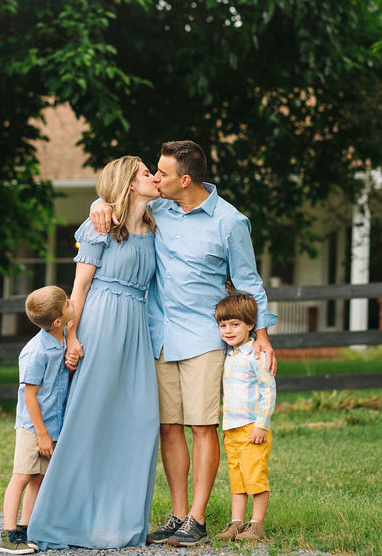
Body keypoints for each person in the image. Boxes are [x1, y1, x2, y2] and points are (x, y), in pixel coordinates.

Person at [90, 139, 277, 547]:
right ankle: (178, 516)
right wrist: (97, 205)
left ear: (185, 179)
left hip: (204, 339)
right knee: (168, 427)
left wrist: (261, 334)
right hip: (157, 335)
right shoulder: (157, 207)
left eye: (162, 172)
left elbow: (248, 282)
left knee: (201, 426)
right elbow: (117, 201)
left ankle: (197, 518)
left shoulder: (230, 222)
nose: (155, 178)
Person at [27, 156, 161, 549]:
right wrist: (71, 338)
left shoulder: (157, 224)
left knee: (139, 419)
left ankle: (119, 522)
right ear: (130, 184)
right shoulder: (99, 227)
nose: (154, 178)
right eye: (146, 174)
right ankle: (65, 518)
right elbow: (79, 290)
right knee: (90, 414)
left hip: (136, 327)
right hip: (101, 321)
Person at [0, 286, 73, 555]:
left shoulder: (62, 336)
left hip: (52, 423)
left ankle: (26, 528)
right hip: (33, 427)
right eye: (68, 303)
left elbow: (74, 320)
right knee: (21, 476)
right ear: (57, 321)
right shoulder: (37, 352)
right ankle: (8, 535)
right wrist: (41, 434)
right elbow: (30, 396)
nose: (72, 303)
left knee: (38, 478)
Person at [214, 292, 276, 543]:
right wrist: (227, 427)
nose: (228, 331)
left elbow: (268, 391)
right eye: (223, 325)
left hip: (252, 428)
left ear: (250, 325)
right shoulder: (228, 355)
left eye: (235, 324)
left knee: (255, 476)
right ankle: (237, 523)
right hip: (232, 430)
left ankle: (257, 525)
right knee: (237, 478)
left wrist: (262, 424)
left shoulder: (256, 355)